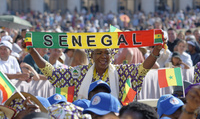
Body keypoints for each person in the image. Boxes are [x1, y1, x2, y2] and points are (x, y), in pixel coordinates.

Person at [25, 38, 164, 101]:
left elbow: (142, 70)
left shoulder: (120, 71)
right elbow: (52, 73)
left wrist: (155, 52)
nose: (104, 56)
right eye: (99, 53)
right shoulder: (80, 73)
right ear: (91, 56)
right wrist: (32, 52)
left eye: (107, 53)